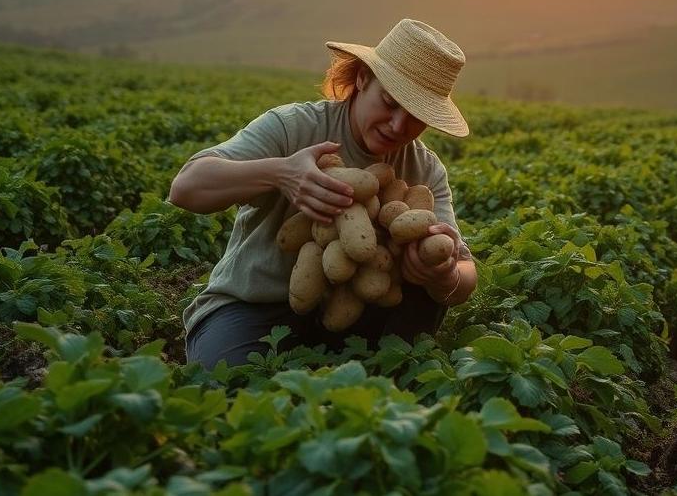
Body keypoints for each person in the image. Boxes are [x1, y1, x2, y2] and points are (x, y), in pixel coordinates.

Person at [170, 18, 478, 368]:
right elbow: (186, 188)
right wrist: (282, 173)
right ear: (362, 78)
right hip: (254, 306)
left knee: (423, 300)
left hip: (360, 313)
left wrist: (445, 274)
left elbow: (466, 272)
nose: (398, 126)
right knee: (230, 392)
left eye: (416, 116)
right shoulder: (293, 126)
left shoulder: (424, 169)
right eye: (390, 103)